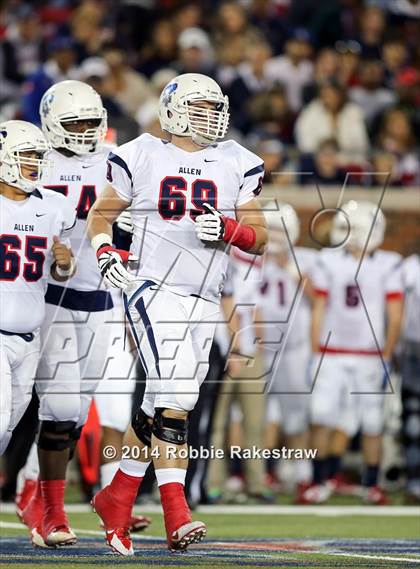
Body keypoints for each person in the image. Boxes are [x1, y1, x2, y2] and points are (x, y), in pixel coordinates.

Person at [87, 72, 267, 554]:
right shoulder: (141, 153)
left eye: (215, 106)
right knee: (174, 401)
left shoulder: (236, 160)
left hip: (205, 296)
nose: (212, 115)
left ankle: (116, 496)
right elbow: (101, 215)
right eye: (200, 106)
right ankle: (176, 512)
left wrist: (229, 229)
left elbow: (261, 236)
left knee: (167, 401)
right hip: (151, 286)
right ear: (172, 109)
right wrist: (106, 252)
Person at [18, 80, 149, 549]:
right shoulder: (35, 160)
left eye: (93, 121)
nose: (86, 130)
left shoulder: (118, 162)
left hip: (100, 300)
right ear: (52, 122)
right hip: (49, 298)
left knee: (73, 417)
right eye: (75, 122)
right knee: (61, 408)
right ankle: (49, 510)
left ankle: (38, 494)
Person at [301, 200, 403, 505]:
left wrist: (386, 351)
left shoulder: (388, 263)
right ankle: (319, 480)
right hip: (332, 353)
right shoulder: (329, 261)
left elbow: (395, 313)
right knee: (321, 416)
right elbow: (319, 306)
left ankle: (371, 484)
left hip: (368, 354)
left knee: (372, 422)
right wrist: (315, 348)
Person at [0, 119, 76, 455]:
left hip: (30, 336)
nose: (35, 164)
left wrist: (64, 263)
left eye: (37, 156)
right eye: (27, 155)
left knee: (7, 431)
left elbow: (61, 273)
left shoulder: (53, 206)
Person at [260, 202, 315, 497]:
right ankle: (261, 473)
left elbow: (319, 296)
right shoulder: (251, 257)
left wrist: (291, 269)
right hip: (260, 348)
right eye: (273, 229)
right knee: (260, 417)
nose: (277, 236)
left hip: (294, 349)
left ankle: (302, 472)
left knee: (296, 413)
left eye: (282, 229)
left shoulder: (305, 259)